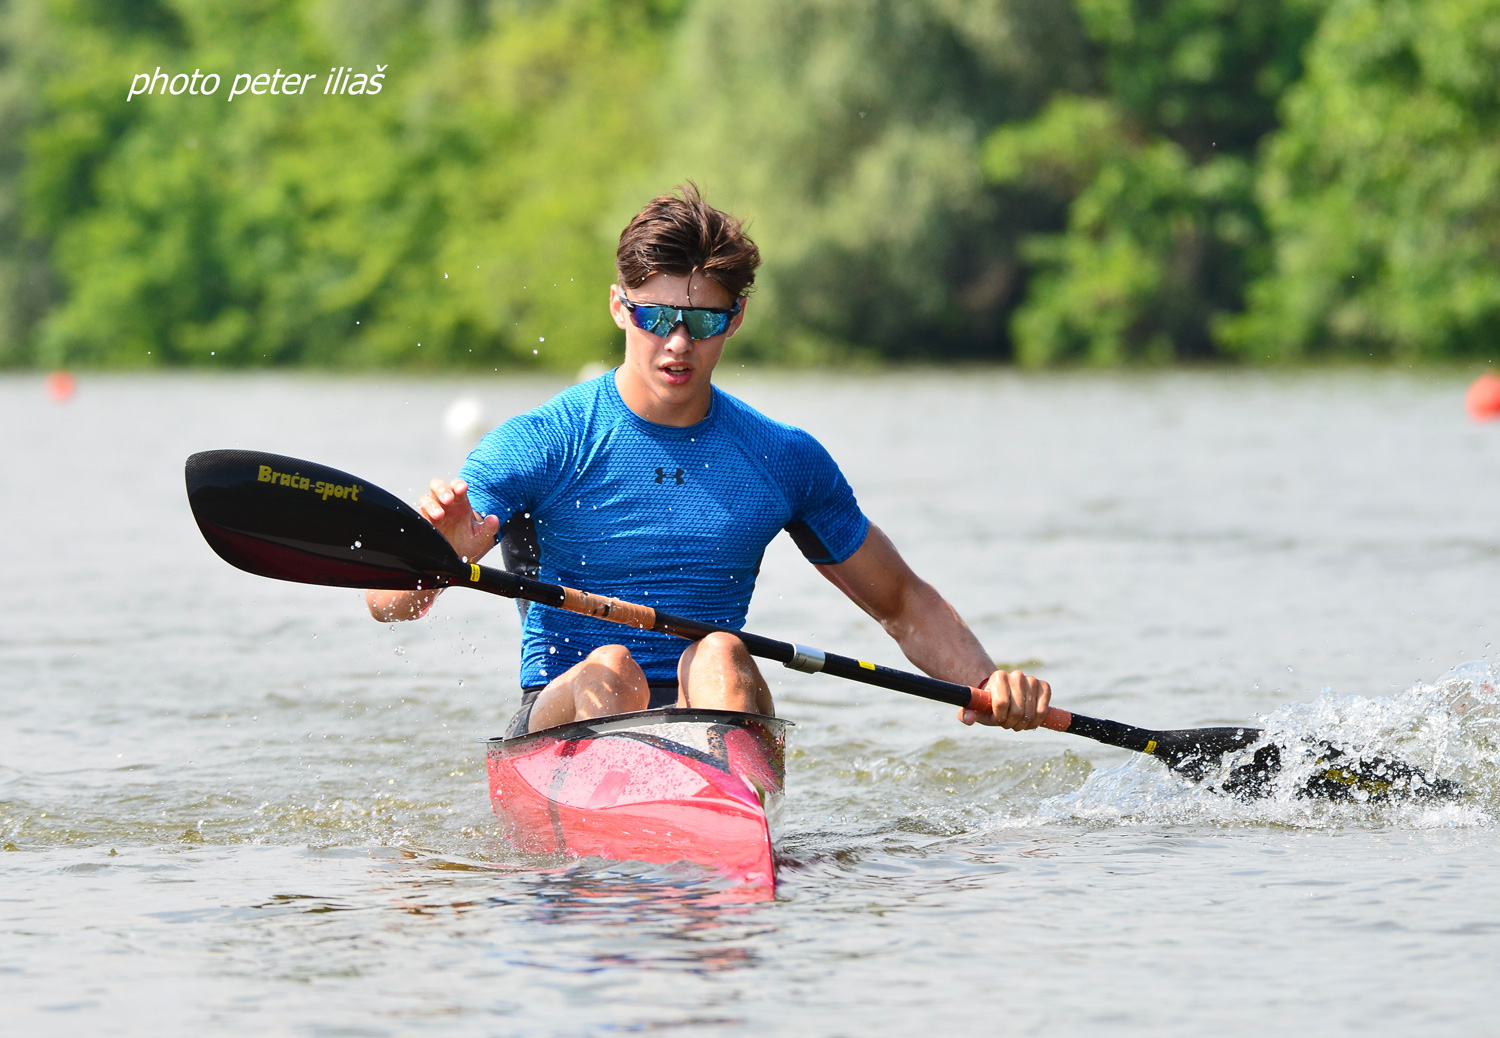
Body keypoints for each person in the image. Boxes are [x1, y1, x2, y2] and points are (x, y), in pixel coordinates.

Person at [366, 184, 1049, 737]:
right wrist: (440, 562)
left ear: (738, 318)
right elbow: (383, 602)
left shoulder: (782, 458)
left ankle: (714, 826)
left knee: (724, 651)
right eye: (657, 317)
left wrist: (990, 683)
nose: (679, 344)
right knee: (613, 668)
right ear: (618, 307)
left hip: (715, 714)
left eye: (706, 322)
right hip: (568, 710)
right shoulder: (545, 442)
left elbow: (903, 602)